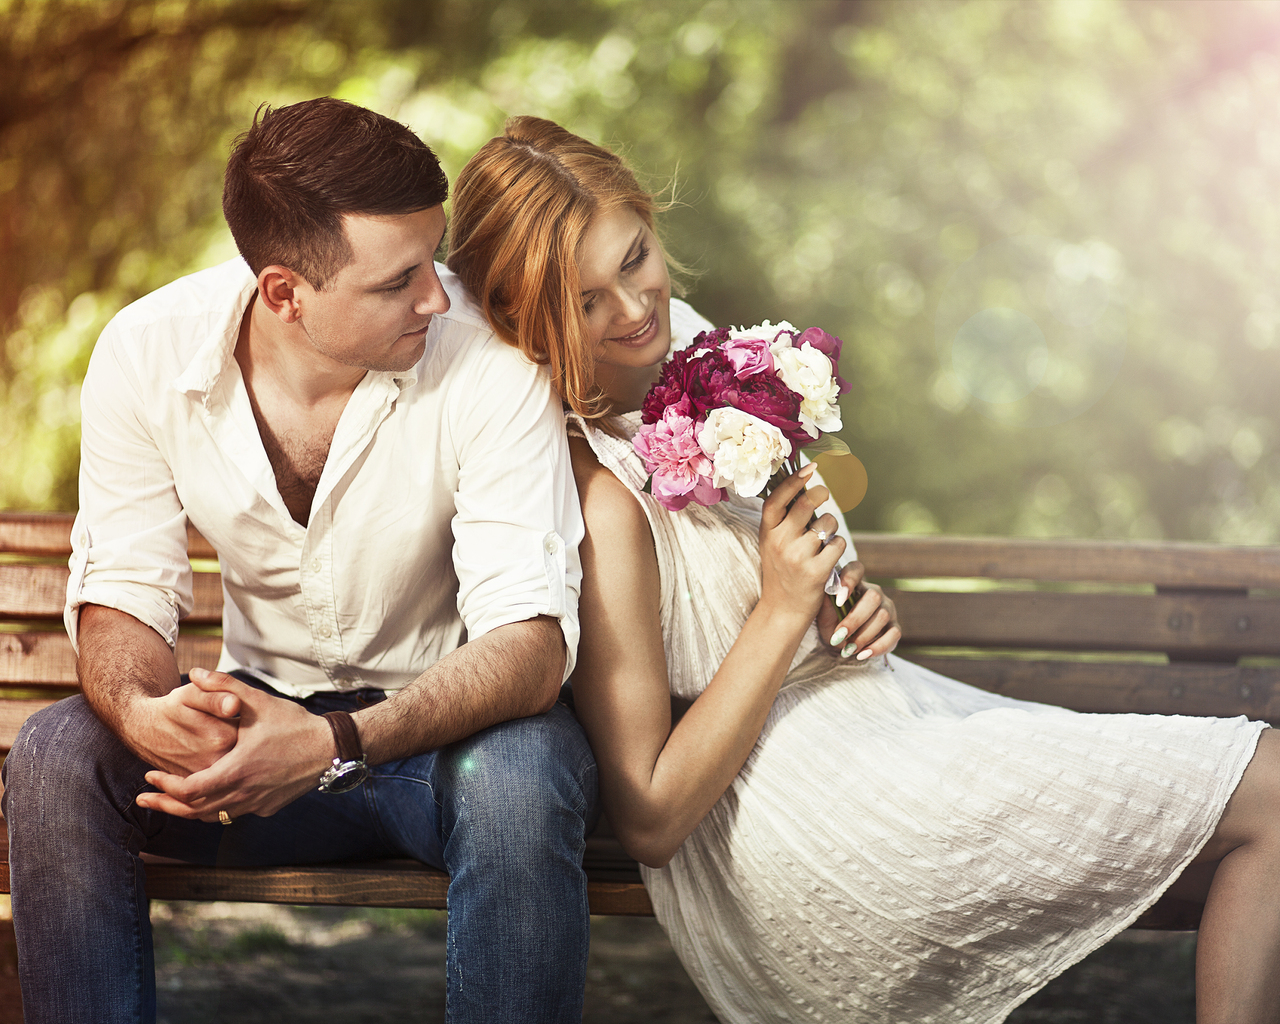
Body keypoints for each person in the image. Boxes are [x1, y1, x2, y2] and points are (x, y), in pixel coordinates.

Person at [445, 115, 1280, 1024]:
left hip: (891, 716)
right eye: (585, 299)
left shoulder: (691, 358)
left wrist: (845, 606)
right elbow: (647, 815)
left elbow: (763, 579)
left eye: (634, 258)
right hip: (806, 798)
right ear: (524, 318)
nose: (634, 308)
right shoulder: (599, 495)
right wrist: (779, 612)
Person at [1, 99, 599, 1024]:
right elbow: (122, 586)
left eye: (432, 260)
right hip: (253, 739)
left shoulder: (490, 363)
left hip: (444, 751)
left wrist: (330, 745)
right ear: (285, 292)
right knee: (55, 754)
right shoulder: (147, 353)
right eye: (398, 280)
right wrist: (147, 713)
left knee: (518, 780)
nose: (436, 297)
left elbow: (530, 645)